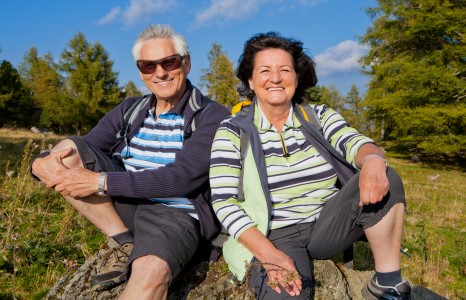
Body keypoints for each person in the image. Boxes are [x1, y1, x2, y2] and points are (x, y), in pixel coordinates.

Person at [32, 24, 230, 299]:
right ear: (140, 72)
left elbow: (182, 177)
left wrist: (100, 182)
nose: (160, 72)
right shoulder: (131, 109)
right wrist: (39, 162)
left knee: (150, 272)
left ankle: (144, 254)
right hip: (124, 207)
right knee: (71, 150)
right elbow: (85, 146)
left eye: (168, 62)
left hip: (174, 213)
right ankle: (123, 242)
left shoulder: (212, 115)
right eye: (148, 66)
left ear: (186, 64)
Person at [209, 32, 411, 300]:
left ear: (297, 76)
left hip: (326, 226)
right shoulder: (233, 131)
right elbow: (224, 202)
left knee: (386, 174)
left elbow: (355, 142)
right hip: (273, 234)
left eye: (285, 69)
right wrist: (268, 254)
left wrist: (373, 159)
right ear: (250, 80)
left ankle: (386, 283)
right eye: (265, 70)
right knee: (288, 293)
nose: (276, 78)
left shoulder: (318, 117)